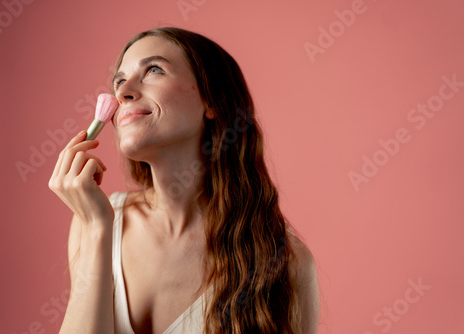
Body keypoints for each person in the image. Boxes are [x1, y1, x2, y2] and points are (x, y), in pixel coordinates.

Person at [49, 27, 319, 334]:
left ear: (211, 101)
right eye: (120, 81)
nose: (123, 92)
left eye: (153, 70)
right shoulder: (96, 221)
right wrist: (97, 229)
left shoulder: (287, 262)